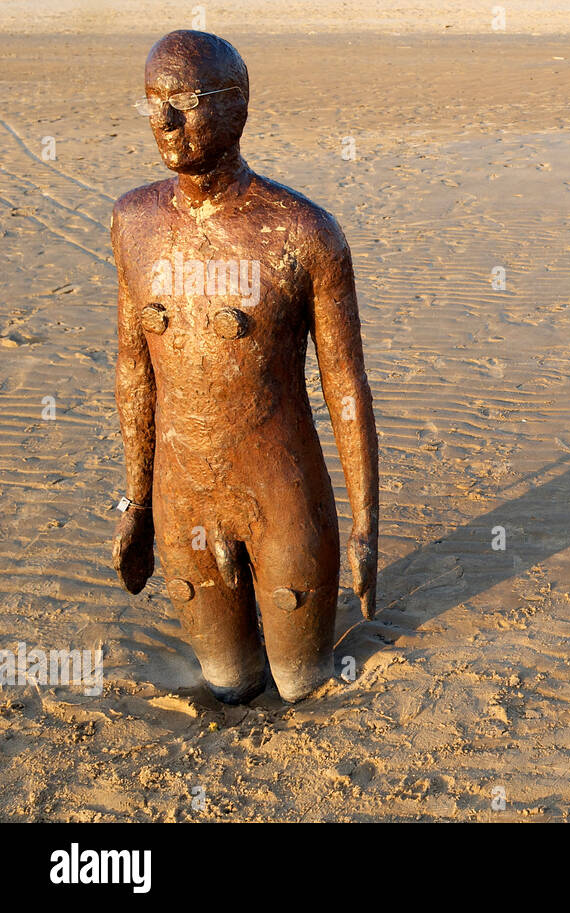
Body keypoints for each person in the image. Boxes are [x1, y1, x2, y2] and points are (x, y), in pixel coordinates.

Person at [110, 30, 379, 703]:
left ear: (237, 107)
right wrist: (134, 503)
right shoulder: (134, 223)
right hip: (181, 499)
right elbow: (132, 368)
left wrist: (366, 521)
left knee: (300, 680)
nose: (166, 123)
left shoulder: (304, 233)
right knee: (227, 679)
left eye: (188, 102)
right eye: (153, 105)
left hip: (281, 494)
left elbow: (343, 382)